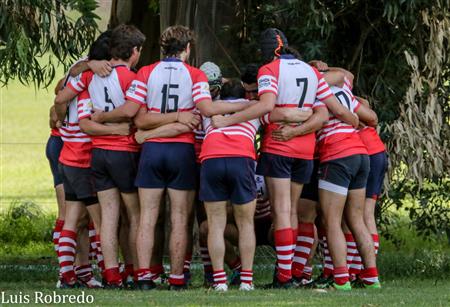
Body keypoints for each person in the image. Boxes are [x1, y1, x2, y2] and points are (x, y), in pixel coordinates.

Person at [210, 28, 357, 288]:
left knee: (282, 211)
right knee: (292, 210)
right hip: (305, 151)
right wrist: (351, 119)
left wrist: (229, 121)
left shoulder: (269, 70)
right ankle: (291, 274)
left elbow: (266, 107)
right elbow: (326, 113)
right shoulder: (310, 72)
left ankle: (285, 277)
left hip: (278, 146)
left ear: (265, 52)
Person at [53, 30, 129, 288]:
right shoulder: (88, 84)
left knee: (73, 217)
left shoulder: (80, 79)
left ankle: (72, 274)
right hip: (81, 159)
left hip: (68, 156)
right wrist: (116, 129)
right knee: (100, 220)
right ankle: (109, 269)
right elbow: (86, 124)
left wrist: (61, 119)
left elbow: (59, 96)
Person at [75, 24, 145, 288]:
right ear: (134, 51)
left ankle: (112, 275)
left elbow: (85, 121)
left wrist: (103, 125)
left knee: (109, 216)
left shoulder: (91, 78)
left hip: (98, 154)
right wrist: (118, 130)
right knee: (135, 215)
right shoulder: (132, 78)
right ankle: (139, 272)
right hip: (124, 154)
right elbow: (132, 113)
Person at [316, 75, 381, 290]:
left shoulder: (316, 93)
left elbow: (315, 120)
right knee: (357, 219)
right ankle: (372, 277)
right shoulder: (343, 92)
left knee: (332, 221)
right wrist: (354, 119)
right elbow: (370, 117)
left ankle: (342, 280)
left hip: (336, 155)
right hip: (361, 155)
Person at [357, 97, 387, 258]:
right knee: (366, 213)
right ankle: (366, 269)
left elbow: (371, 117)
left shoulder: (332, 96)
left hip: (366, 152)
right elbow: (370, 114)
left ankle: (364, 269)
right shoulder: (351, 97)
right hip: (377, 151)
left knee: (358, 214)